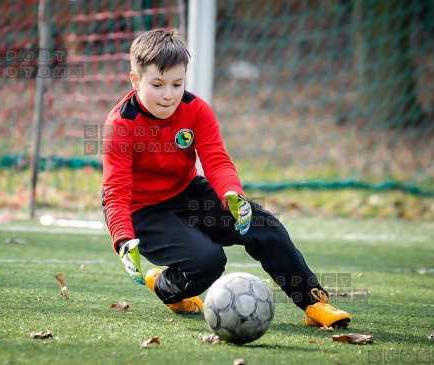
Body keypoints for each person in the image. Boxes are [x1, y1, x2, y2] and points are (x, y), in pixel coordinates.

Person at [102, 28, 351, 328]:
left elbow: (217, 161)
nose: (168, 94)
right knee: (209, 260)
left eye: (177, 83)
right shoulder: (121, 124)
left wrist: (234, 196)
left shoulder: (196, 110)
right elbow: (115, 190)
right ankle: (168, 287)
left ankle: (313, 303)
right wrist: (123, 240)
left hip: (186, 193)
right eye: (157, 84)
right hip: (142, 210)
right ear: (135, 80)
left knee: (263, 225)